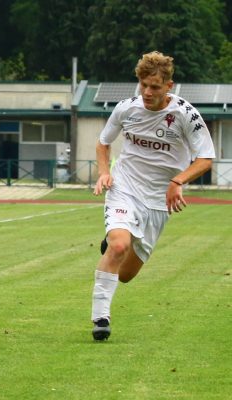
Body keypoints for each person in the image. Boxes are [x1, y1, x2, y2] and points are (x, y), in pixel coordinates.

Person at [91, 51, 215, 341]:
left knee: (125, 274)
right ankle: (100, 318)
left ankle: (115, 242)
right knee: (119, 247)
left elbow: (206, 159)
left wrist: (178, 180)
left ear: (169, 86)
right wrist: (103, 172)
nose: (147, 92)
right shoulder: (125, 108)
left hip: (159, 200)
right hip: (126, 187)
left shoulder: (186, 114)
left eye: (155, 87)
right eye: (143, 85)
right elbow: (102, 143)